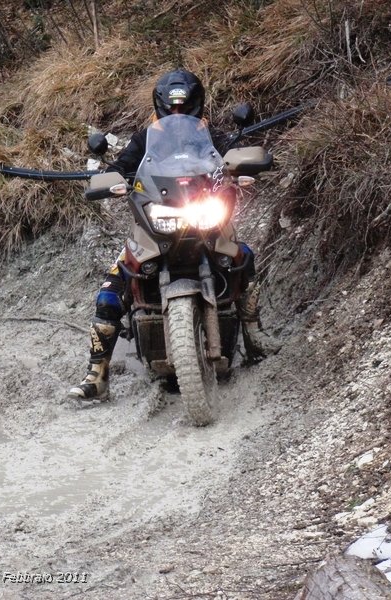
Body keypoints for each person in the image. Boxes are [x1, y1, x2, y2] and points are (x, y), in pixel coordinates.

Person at [68, 69, 279, 404]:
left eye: (185, 105)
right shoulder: (144, 139)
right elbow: (122, 166)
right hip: (158, 220)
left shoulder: (213, 136)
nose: (178, 112)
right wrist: (112, 179)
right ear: (161, 104)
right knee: (112, 288)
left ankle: (254, 336)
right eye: (173, 107)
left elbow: (229, 158)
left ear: (197, 102)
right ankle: (97, 373)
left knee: (242, 258)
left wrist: (239, 171)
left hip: (205, 216)